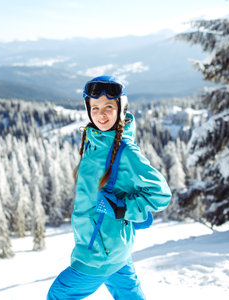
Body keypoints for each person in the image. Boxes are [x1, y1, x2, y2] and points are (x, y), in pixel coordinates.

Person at [47, 75, 172, 299]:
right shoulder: (95, 140)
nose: (100, 114)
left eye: (108, 107)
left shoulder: (126, 151)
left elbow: (161, 193)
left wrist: (123, 209)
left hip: (99, 254)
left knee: (59, 294)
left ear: (120, 109)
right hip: (113, 246)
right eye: (94, 107)